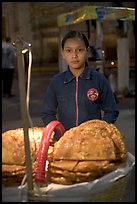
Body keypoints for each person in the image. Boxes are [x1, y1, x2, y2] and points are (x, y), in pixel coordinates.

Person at [40, 30, 119, 131]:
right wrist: (60, 133)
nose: (74, 55)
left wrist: (99, 131)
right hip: (65, 141)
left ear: (88, 51)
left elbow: (111, 111)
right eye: (69, 50)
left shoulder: (99, 80)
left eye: (80, 50)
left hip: (92, 142)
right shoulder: (57, 82)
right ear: (63, 53)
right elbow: (47, 113)